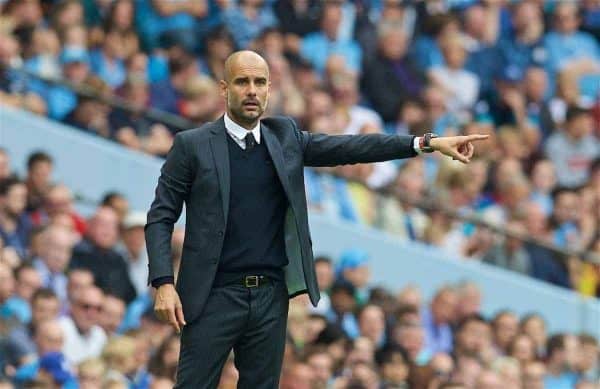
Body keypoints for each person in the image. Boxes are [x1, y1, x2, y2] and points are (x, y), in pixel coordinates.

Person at [145, 50, 488, 388]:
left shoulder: (285, 138)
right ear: (224, 89)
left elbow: (353, 148)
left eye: (260, 82)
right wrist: (163, 282)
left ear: (269, 89)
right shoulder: (192, 145)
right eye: (242, 81)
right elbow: (161, 215)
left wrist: (425, 143)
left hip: (269, 296)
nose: (252, 90)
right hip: (213, 293)